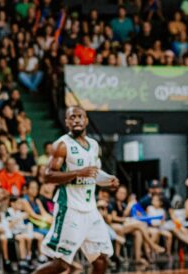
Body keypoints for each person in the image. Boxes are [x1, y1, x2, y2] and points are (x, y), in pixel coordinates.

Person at [33, 106, 118, 274]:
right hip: (70, 208)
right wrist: (78, 173)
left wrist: (108, 180)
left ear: (86, 120)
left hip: (90, 209)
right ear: (66, 122)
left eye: (79, 117)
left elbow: (93, 173)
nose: (76, 120)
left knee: (101, 259)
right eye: (72, 117)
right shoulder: (62, 145)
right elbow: (48, 176)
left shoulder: (94, 145)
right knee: (61, 265)